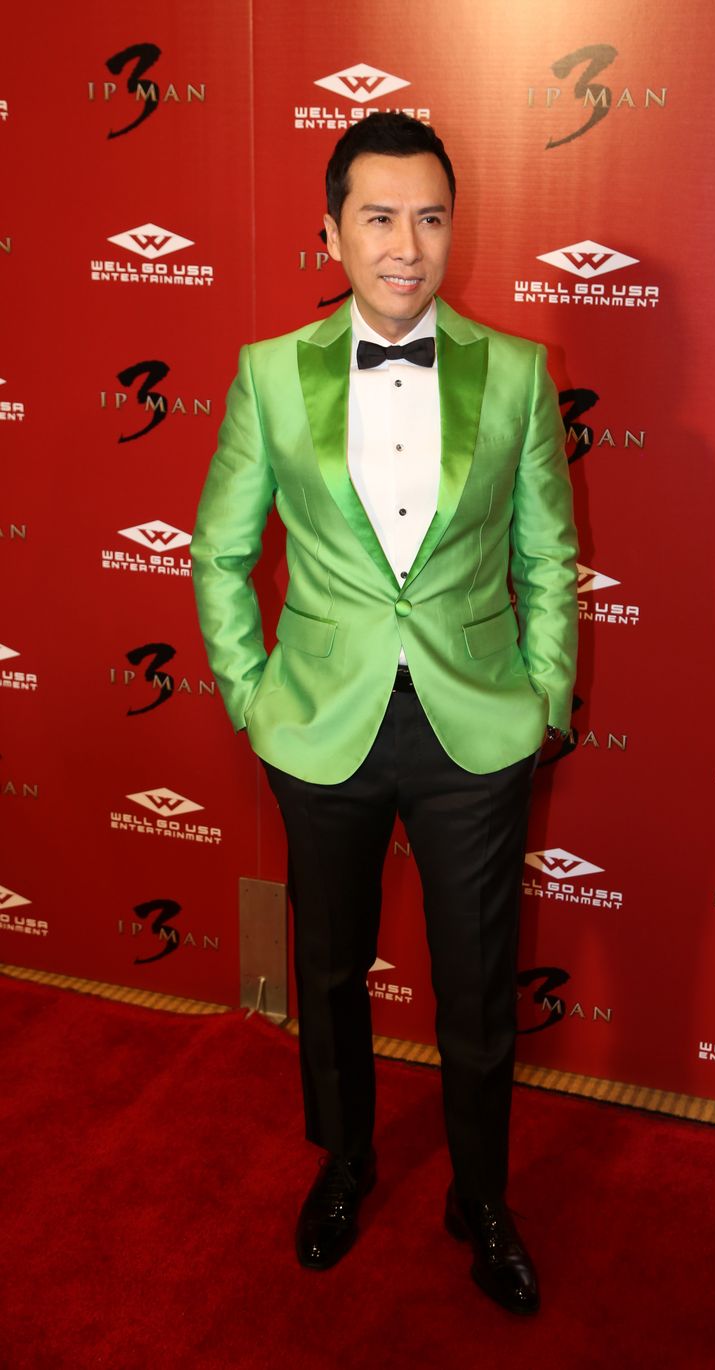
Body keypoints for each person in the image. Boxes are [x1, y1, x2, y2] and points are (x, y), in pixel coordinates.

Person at [191, 113, 578, 1315]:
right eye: (378, 217)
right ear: (332, 231)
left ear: (454, 229)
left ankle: (483, 1195)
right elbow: (218, 552)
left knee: (478, 985)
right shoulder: (269, 372)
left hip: (476, 725)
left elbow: (549, 557)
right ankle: (347, 1162)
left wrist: (544, 696)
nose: (407, 245)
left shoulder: (516, 371)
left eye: (430, 217)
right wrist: (254, 697)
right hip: (321, 723)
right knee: (328, 971)